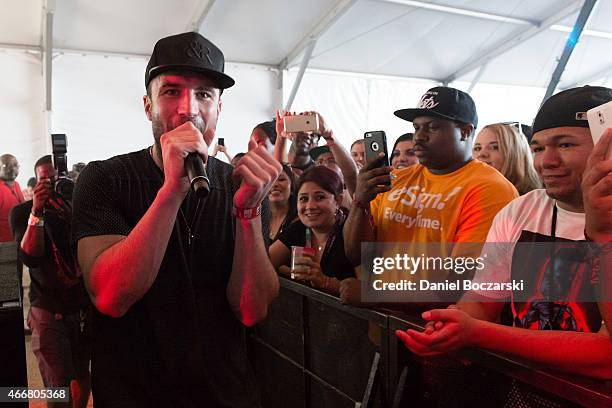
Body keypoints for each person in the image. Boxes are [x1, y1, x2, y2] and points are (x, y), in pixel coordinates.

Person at [71, 32, 281, 406]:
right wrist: (170, 192)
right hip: (134, 395)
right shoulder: (105, 179)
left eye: (204, 94)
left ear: (219, 108)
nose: (189, 108)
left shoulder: (242, 185)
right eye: (171, 92)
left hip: (225, 395)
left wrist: (247, 213)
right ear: (147, 105)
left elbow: (252, 310)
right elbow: (110, 296)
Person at [396, 86, 612, 380]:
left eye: (564, 145)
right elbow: (483, 299)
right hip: (522, 392)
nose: (545, 161)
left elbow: (606, 357)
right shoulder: (521, 210)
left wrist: (478, 334)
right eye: (537, 148)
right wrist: (449, 328)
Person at [341, 87, 517, 305]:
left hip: (436, 331)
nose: (419, 137)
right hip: (383, 327)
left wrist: (374, 294)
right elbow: (355, 254)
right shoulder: (396, 179)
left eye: (432, 127)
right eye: (416, 127)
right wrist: (360, 202)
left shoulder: (490, 188)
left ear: (464, 131)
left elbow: (463, 285)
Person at [9, 155, 91, 408]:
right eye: (46, 179)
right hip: (48, 310)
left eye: (58, 179)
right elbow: (30, 257)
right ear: (35, 183)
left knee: (83, 373)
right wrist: (37, 211)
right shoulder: (23, 212)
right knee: (58, 386)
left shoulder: (79, 207)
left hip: (82, 308)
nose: (53, 184)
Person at [270, 166, 356, 295]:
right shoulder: (299, 228)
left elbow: (380, 293)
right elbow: (263, 265)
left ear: (338, 200)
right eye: (304, 199)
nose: (310, 206)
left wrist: (325, 282)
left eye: (320, 197)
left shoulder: (354, 230)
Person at [473, 123, 541, 195]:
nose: (482, 154)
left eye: (494, 147)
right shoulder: (469, 190)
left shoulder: (533, 200)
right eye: (478, 148)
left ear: (515, 154)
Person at [269, 164, 297, 244]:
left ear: (291, 187)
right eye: (270, 180)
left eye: (281, 179)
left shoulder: (299, 220)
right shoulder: (258, 217)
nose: (275, 184)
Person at [0, 154, 25, 242]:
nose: (13, 169)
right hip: (5, 243)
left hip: (21, 239)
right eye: (7, 166)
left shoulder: (16, 185)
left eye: (15, 165)